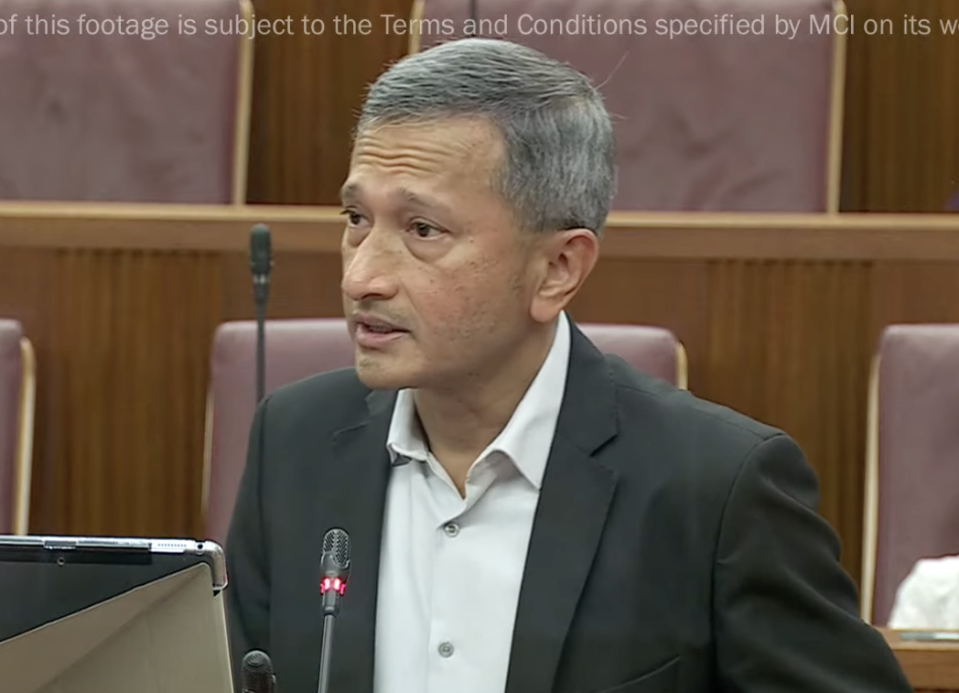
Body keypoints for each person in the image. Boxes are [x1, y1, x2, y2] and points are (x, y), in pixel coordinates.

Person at [225, 37, 912, 693]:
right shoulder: (296, 441)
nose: (361, 277)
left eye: (422, 230)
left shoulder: (715, 487)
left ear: (556, 268)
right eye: (355, 219)